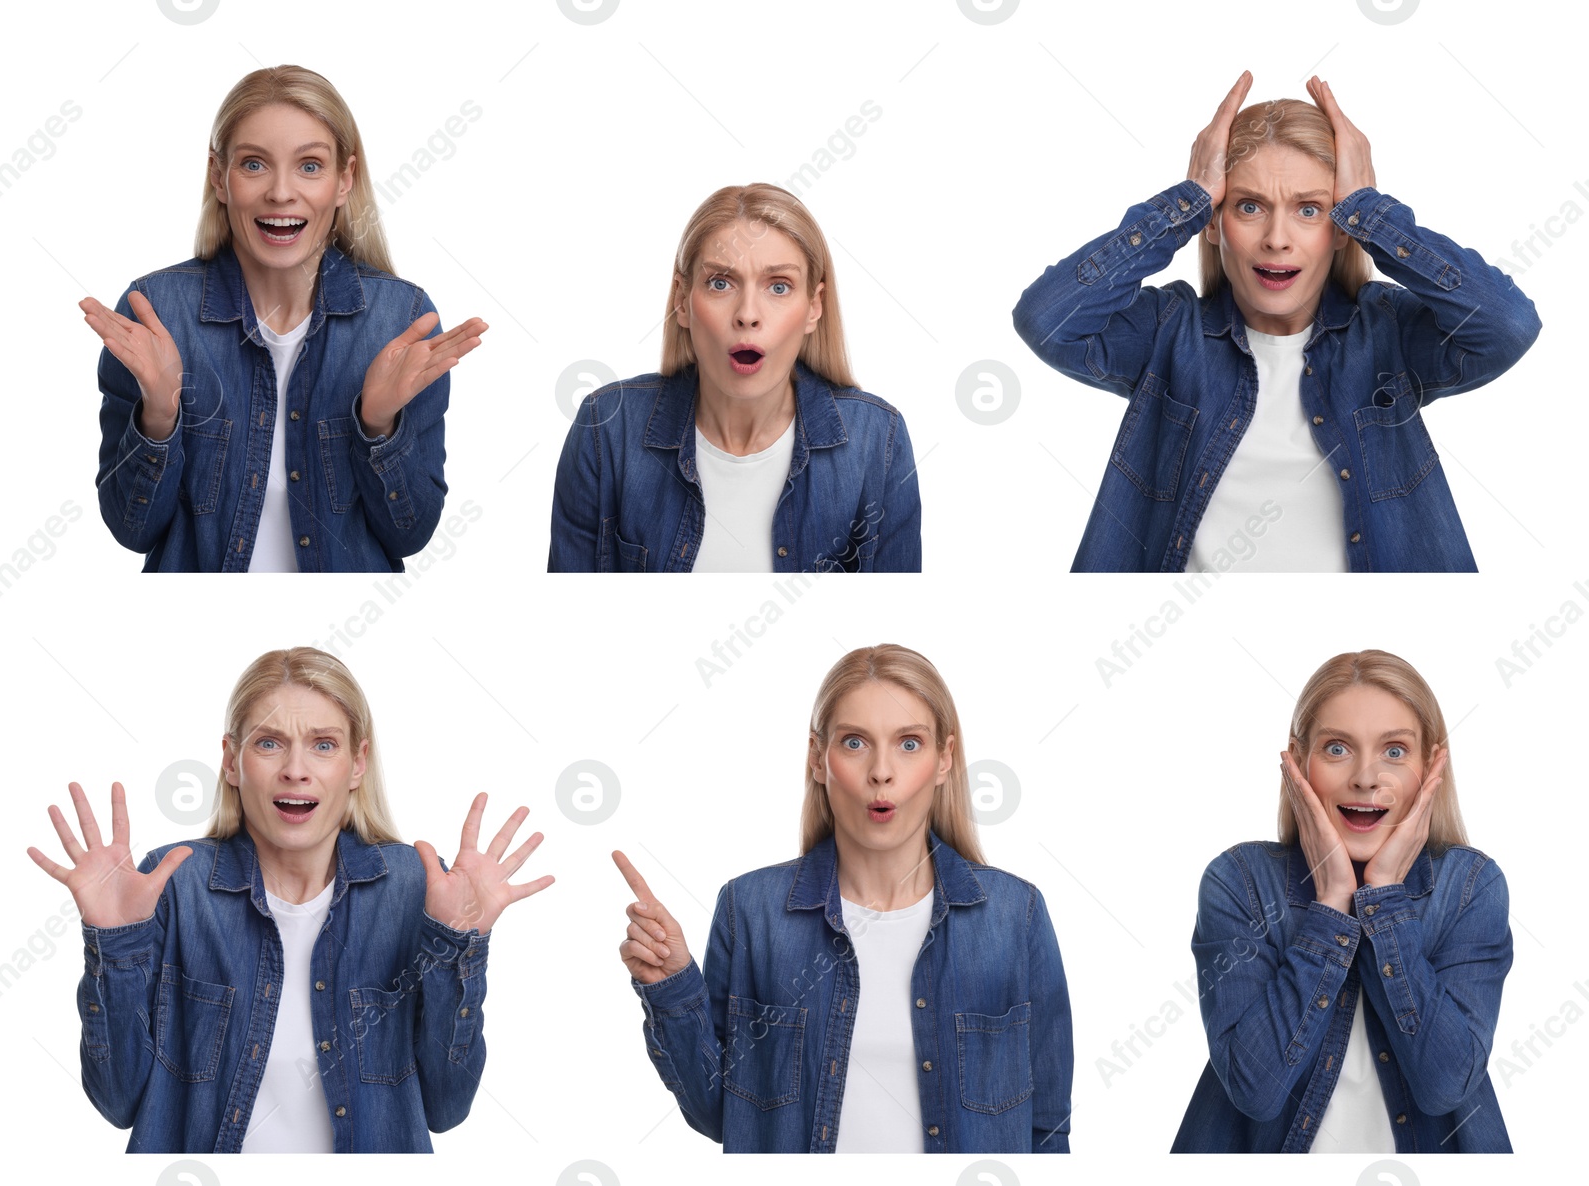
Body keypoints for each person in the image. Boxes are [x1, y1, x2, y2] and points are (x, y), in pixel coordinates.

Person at [27, 647, 552, 1152]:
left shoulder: (418, 888)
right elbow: (118, 1102)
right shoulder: (173, 885)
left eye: (324, 744)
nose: (295, 769)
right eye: (268, 743)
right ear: (232, 762)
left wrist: (457, 946)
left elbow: (447, 1108)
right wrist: (115, 945)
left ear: (357, 763)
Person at [1012, 73, 1541, 572]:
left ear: (1338, 230)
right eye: (1249, 206)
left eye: (1309, 210)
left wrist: (1369, 211)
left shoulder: (1385, 333)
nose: (1277, 238)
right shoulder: (1169, 333)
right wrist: (1188, 199)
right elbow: (1047, 318)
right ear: (1215, 226)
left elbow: (1507, 324)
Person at [613, 644, 1071, 1152]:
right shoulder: (751, 912)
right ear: (817, 758)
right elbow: (723, 1115)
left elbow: (1048, 1133)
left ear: (945, 758)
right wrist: (672, 987)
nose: (881, 772)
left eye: (909, 744)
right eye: (855, 743)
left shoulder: (1015, 917)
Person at [83, 65, 486, 572]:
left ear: (345, 180)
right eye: (254, 165)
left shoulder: (400, 320)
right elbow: (131, 530)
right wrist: (159, 418)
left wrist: (378, 426)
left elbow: (410, 536)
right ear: (219, 176)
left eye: (310, 166)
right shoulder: (157, 314)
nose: (280, 192)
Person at [1172, 649, 1511, 1153]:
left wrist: (1383, 902)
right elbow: (1255, 1091)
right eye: (1337, 749)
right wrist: (1331, 904)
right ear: (1297, 761)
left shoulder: (1469, 886)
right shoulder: (1239, 881)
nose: (1366, 778)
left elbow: (1446, 1087)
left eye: (1395, 751)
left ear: (1431, 765)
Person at [549, 184, 921, 572]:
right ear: (682, 301)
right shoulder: (606, 426)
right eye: (720, 283)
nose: (747, 314)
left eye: (779, 286)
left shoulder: (879, 439)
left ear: (814, 307)